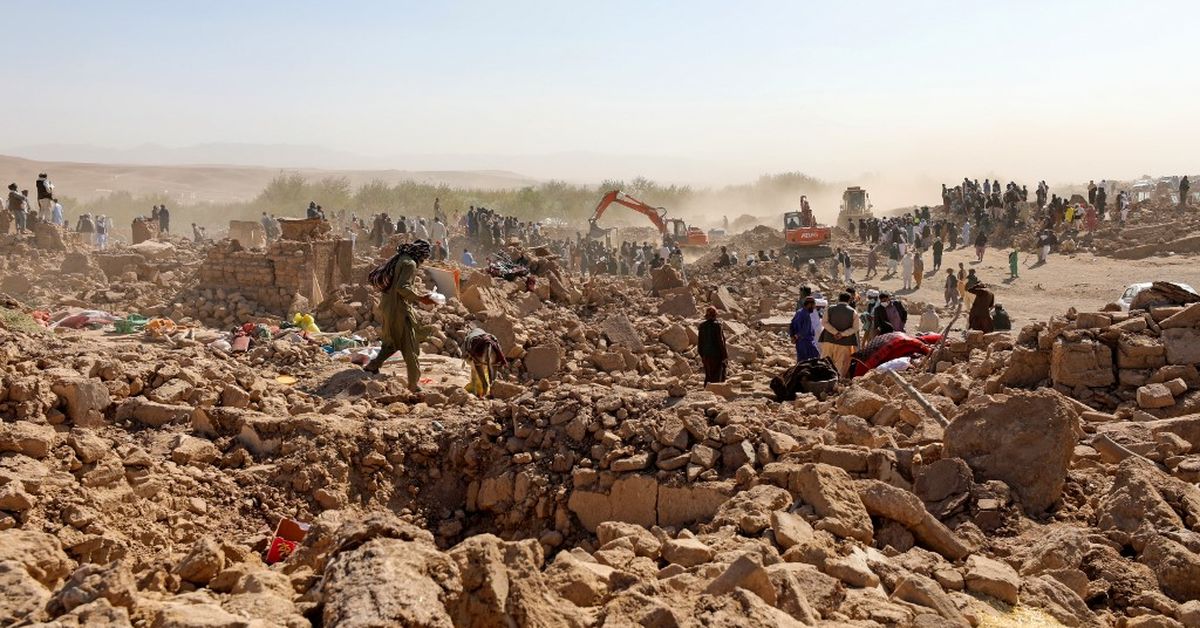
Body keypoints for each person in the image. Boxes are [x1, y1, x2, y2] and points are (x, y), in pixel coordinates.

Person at [363, 240, 437, 392]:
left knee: (392, 342)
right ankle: (413, 384)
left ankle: (372, 366)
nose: (424, 261)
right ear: (420, 255)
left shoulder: (401, 258)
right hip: (399, 310)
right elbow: (402, 288)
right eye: (424, 257)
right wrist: (421, 298)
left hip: (387, 307)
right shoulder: (410, 264)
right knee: (410, 345)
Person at [819, 292, 860, 377]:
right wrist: (842, 334)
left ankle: (823, 378)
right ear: (849, 300)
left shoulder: (830, 309)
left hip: (828, 340)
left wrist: (835, 332)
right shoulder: (853, 312)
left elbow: (824, 322)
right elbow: (855, 328)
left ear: (839, 299)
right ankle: (836, 380)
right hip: (844, 343)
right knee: (840, 365)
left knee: (825, 361)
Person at [697, 307, 728, 384]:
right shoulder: (717, 325)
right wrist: (725, 355)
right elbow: (721, 341)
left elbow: (700, 342)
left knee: (708, 376)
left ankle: (706, 390)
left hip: (706, 355)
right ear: (715, 315)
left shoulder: (702, 326)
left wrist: (702, 355)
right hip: (716, 356)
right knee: (717, 377)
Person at [790, 297, 821, 362]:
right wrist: (795, 336)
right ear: (809, 304)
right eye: (813, 305)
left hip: (800, 342)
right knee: (815, 358)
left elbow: (792, 324)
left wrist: (792, 336)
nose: (814, 307)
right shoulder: (805, 315)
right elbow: (804, 330)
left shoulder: (799, 312)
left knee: (802, 360)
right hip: (806, 342)